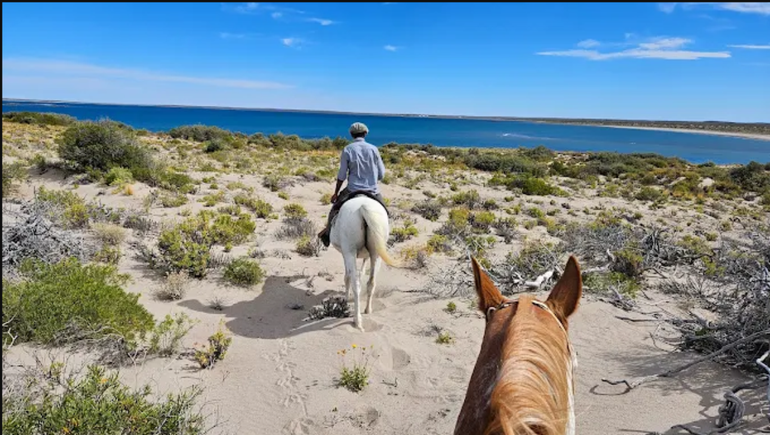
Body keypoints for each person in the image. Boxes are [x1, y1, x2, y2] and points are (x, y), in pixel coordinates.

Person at [318, 122, 387, 248]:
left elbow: (342, 175)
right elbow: (381, 174)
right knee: (385, 211)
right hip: (372, 190)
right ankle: (386, 237)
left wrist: (336, 193)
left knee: (334, 210)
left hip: (352, 189)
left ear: (351, 134)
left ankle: (327, 234)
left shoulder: (348, 149)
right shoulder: (374, 149)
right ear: (365, 133)